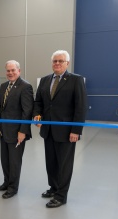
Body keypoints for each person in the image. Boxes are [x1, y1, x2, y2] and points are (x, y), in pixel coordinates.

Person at [33, 50, 87, 208]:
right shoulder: (44, 80)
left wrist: (76, 130)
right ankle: (54, 188)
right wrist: (37, 114)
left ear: (67, 63)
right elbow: (39, 102)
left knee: (64, 165)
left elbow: (81, 107)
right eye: (55, 61)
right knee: (51, 162)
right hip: (48, 130)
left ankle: (61, 196)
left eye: (60, 61)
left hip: (66, 132)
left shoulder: (76, 80)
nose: (57, 63)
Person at [0, 60, 33, 199]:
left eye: (13, 70)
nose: (10, 73)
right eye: (8, 71)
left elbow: (27, 112)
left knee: (14, 161)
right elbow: (0, 107)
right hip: (4, 130)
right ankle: (6, 182)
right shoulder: (4, 86)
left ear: (19, 71)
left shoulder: (25, 87)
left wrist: (23, 131)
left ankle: (13, 188)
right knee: (5, 160)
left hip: (17, 132)